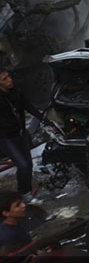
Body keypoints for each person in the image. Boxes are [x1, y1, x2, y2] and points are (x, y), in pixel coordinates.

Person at [0, 68, 44, 199]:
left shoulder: (15, 92)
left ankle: (25, 191)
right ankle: (24, 194)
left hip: (21, 133)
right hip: (6, 137)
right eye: (5, 79)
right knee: (23, 164)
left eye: (9, 77)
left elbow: (27, 105)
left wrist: (44, 119)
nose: (10, 80)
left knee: (28, 164)